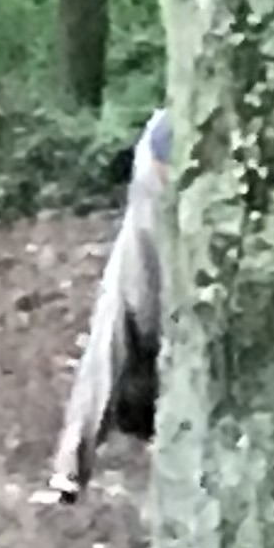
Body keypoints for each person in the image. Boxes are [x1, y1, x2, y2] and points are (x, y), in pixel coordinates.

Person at [43, 110, 172, 505]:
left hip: (165, 149)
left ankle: (71, 461)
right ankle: (71, 461)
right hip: (166, 155)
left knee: (126, 299)